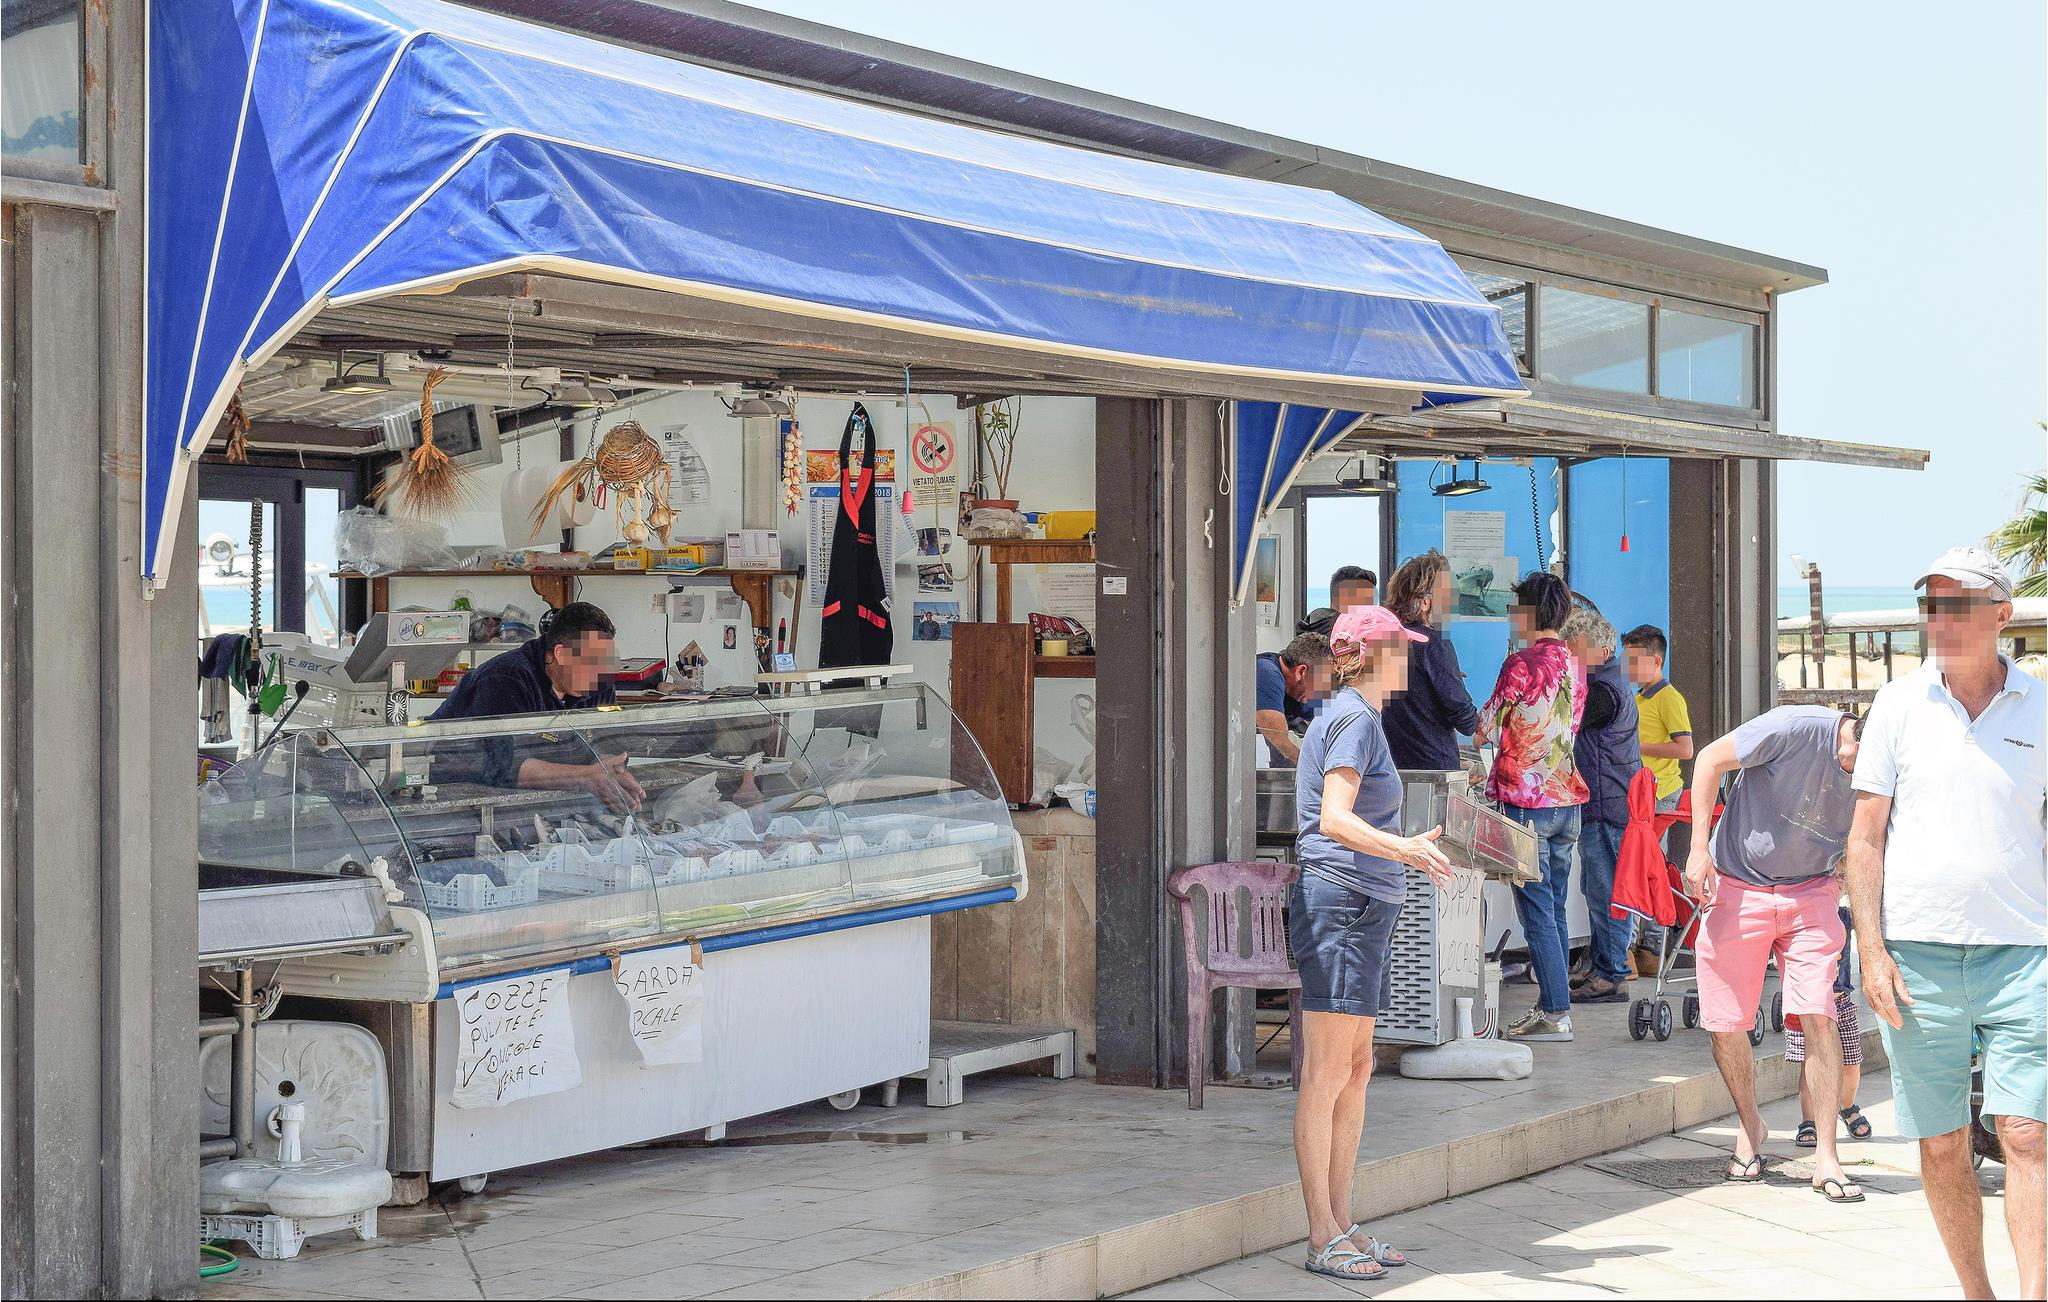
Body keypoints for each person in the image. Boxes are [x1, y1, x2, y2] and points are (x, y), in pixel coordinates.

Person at [1847, 547, 2045, 1298]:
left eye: (1956, 604)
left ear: (2001, 614)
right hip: (1917, 957)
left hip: (2025, 951)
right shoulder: (1897, 705)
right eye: (1931, 606)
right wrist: (1871, 950)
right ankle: (1977, 1293)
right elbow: (1865, 839)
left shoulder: (2042, 708)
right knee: (1942, 1142)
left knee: (2026, 1132)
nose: (1940, 620)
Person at [1289, 607, 1453, 1282]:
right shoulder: (1354, 718)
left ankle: (1341, 1222)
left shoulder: (1354, 715)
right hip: (1343, 903)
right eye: (1400, 649)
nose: (1408, 660)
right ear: (1373, 654)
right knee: (1328, 1074)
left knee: (1355, 1070)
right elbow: (1333, 818)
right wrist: (1404, 849)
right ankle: (1320, 1234)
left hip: (1362, 907)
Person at [1683, 704, 1864, 1202]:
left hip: (1813, 890)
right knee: (1726, 1022)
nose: (1861, 778)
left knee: (1818, 1012)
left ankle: (1826, 1156)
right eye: (1858, 764)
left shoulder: (1887, 766)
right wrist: (1698, 849)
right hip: (1738, 883)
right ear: (1853, 735)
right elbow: (1708, 759)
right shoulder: (1792, 728)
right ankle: (1751, 1126)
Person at [1477, 571, 1588, 1043]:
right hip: (1566, 800)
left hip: (1526, 801)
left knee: (1537, 910)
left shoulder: (1520, 663)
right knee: (1555, 907)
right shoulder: (1577, 664)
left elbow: (1484, 725)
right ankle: (1556, 1007)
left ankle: (1555, 1013)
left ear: (1527, 612)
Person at [434, 601, 643, 810]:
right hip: (454, 801)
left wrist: (608, 768)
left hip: (542, 801)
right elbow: (503, 765)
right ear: (561, 654)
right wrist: (587, 776)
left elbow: (610, 742)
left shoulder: (597, 680)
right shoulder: (506, 678)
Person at [1562, 601, 1641, 1005]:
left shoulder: (1604, 691)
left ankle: (1611, 974)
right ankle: (1602, 966)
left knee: (1606, 891)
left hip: (1607, 804)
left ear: (1602, 651)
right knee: (1597, 889)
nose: (1568, 657)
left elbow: (1566, 720)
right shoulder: (1607, 682)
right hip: (1604, 801)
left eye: (1574, 650)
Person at [1622, 623, 1693, 967]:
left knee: (1641, 867)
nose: (1628, 668)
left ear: (1656, 661)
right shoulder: (1638, 698)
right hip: (1642, 795)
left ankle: (1644, 944)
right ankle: (1646, 947)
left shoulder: (1669, 698)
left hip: (1660, 795)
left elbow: (1685, 748)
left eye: (1634, 661)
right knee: (1646, 866)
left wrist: (1637, 746)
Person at [1379, 550, 1481, 772]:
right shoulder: (1434, 644)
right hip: (1433, 766)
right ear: (1425, 603)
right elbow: (1464, 718)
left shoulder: (1386, 641)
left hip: (1391, 765)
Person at [1789, 906, 1872, 1150]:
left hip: (1841, 1001)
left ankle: (1847, 1106)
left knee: (1851, 1063)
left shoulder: (1845, 915)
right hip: (1808, 1003)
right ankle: (1809, 1120)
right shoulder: (1801, 915)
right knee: (1810, 1064)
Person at [1256, 633, 1334, 767]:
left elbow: (1323, 726)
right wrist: (1312, 770)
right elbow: (1277, 737)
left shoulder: (1299, 692)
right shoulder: (1266, 672)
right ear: (1301, 672)